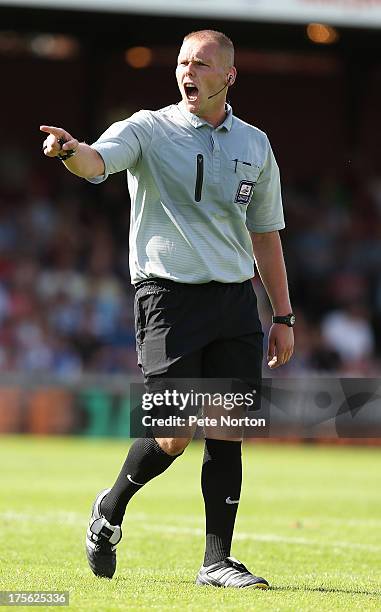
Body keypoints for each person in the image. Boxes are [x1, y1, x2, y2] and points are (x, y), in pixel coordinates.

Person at [41, 29, 294, 589]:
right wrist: (69, 151)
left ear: (227, 76)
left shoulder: (255, 144)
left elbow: (267, 233)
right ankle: (108, 510)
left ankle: (217, 561)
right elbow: (97, 161)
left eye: (201, 64)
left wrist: (282, 315)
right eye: (182, 62)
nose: (188, 72)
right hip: (168, 298)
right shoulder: (149, 129)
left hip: (233, 300)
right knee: (175, 430)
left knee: (228, 427)